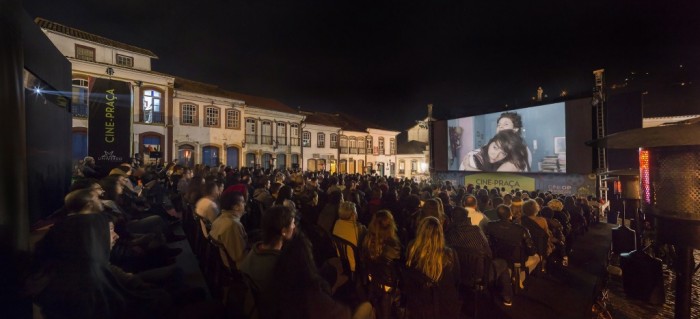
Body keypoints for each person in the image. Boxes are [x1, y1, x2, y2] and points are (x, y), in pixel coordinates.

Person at [238, 206, 296, 319]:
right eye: (292, 223)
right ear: (283, 231)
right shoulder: (279, 265)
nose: (294, 227)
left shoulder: (255, 250)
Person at [403, 216, 461, 318]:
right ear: (440, 233)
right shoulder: (449, 254)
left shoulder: (411, 249)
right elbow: (456, 279)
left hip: (418, 303)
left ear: (420, 231)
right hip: (445, 305)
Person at [209, 191, 248, 268]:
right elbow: (239, 256)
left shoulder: (220, 218)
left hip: (223, 262)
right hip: (235, 266)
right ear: (235, 207)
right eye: (243, 202)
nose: (245, 204)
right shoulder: (233, 225)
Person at [459, 130, 530, 172]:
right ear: (490, 142)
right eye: (495, 147)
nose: (495, 156)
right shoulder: (473, 159)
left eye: (503, 153)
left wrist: (469, 168)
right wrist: (468, 167)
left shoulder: (507, 162)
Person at [332, 201, 367, 272]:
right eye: (356, 211)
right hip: (355, 264)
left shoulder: (337, 223)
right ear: (353, 214)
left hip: (341, 260)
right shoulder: (359, 228)